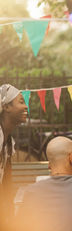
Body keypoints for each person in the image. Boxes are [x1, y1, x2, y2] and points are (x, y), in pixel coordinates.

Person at [0, 84, 28, 217]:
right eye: (21, 102)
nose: (26, 106)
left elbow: (6, 182)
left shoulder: (8, 142)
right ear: (6, 107)